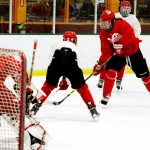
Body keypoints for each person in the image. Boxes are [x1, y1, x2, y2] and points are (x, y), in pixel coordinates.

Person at [30, 31, 100, 119]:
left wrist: (62, 78)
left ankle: (36, 105)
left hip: (54, 66)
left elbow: (51, 61)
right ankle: (92, 108)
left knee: (48, 86)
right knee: (82, 88)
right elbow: (76, 66)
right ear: (75, 40)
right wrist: (67, 80)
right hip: (72, 67)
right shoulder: (76, 49)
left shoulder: (55, 45)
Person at [93, 10, 150, 105]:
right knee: (110, 70)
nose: (103, 25)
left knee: (144, 76)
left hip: (132, 53)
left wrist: (122, 43)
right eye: (102, 23)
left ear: (112, 21)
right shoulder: (103, 34)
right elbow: (105, 52)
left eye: (106, 23)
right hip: (118, 55)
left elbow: (131, 36)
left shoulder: (121, 24)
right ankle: (106, 96)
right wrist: (100, 65)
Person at [0, 55, 49, 149]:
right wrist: (28, 92)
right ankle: (35, 140)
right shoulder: (7, 60)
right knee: (13, 108)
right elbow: (21, 75)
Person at [97, 0, 141, 91]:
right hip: (113, 43)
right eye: (123, 8)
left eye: (127, 8)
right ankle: (102, 78)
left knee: (123, 63)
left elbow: (137, 32)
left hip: (126, 45)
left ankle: (119, 80)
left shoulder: (133, 18)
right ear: (120, 8)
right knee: (108, 61)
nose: (125, 10)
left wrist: (128, 42)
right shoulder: (115, 16)